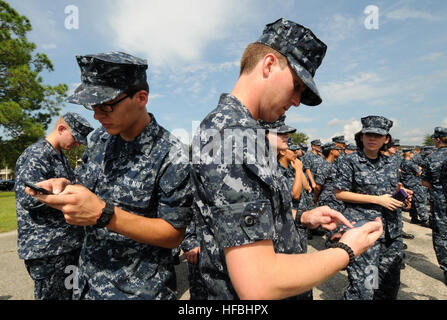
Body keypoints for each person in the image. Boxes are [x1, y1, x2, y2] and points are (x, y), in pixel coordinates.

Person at [190, 18, 383, 300]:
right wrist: (346, 250)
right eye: (296, 86)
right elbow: (259, 284)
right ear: (268, 65)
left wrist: (302, 216)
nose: (296, 101)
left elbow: (241, 217)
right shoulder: (233, 137)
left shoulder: (243, 132)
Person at [26, 52, 193, 299]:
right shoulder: (99, 140)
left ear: (141, 98)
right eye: (92, 107)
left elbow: (173, 233)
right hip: (86, 283)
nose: (96, 116)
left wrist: (104, 215)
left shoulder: (171, 154)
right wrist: (66, 186)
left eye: (105, 106)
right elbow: (89, 189)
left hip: (137, 291)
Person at [14, 112, 93, 300]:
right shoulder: (37, 154)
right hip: (47, 249)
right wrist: (66, 193)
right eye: (76, 138)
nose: (78, 144)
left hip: (64, 246)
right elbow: (27, 197)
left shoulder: (59, 156)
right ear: (61, 129)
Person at [334, 115, 412, 300]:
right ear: (361, 137)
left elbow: (391, 192)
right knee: (366, 288)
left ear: (386, 139)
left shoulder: (392, 163)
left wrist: (401, 194)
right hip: (366, 232)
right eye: (368, 134)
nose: (372, 138)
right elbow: (340, 193)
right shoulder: (350, 161)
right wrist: (378, 200)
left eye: (378, 135)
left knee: (389, 286)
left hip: (391, 232)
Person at [422, 127, 447, 285]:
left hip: (439, 201)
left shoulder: (431, 158)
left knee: (441, 234)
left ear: (437, 140)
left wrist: (436, 187)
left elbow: (424, 182)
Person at [400, 149, 429, 227]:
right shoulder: (411, 163)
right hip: (414, 184)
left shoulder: (402, 162)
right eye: (412, 153)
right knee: (420, 201)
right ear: (410, 154)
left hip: (406, 184)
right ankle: (424, 219)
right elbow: (419, 173)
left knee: (412, 202)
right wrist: (420, 169)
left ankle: (414, 218)